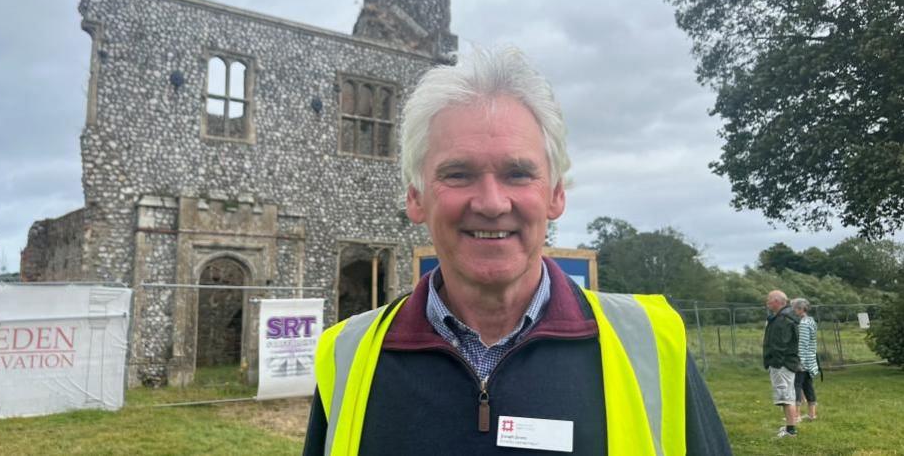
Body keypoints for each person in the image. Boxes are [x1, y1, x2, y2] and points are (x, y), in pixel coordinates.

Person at [303, 48, 732, 455]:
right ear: (415, 198)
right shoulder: (347, 355)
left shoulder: (650, 345)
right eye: (458, 173)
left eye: (518, 173)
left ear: (556, 194)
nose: (491, 203)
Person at [764, 290, 801, 438]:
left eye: (769, 300)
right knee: (787, 395)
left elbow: (780, 344)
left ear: (778, 301)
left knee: (786, 397)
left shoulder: (783, 320)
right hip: (786, 362)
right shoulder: (782, 317)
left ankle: (791, 430)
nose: (767, 303)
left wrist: (776, 363)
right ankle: (789, 426)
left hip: (782, 364)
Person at [791, 297, 819, 421]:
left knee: (797, 385)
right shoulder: (811, 321)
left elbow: (802, 344)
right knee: (808, 386)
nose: (793, 311)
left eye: (794, 308)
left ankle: (796, 415)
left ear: (801, 309)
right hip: (811, 360)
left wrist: (799, 362)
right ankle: (812, 414)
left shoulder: (803, 324)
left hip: (803, 361)